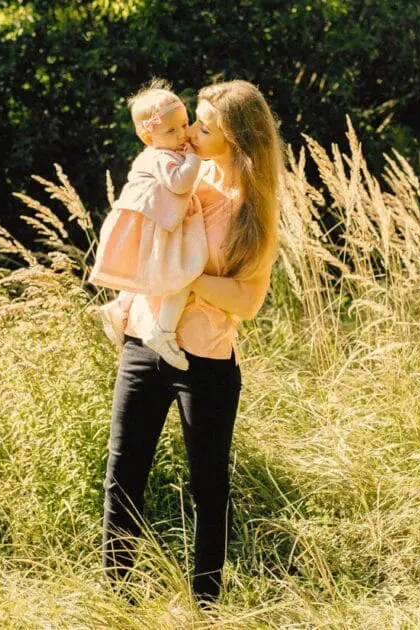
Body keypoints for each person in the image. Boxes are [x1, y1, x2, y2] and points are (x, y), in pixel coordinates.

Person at [100, 79, 282, 605]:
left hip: (206, 360)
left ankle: (207, 604)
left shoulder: (254, 208)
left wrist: (179, 276)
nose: (194, 132)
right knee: (122, 476)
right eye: (194, 121)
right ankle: (117, 600)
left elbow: (247, 301)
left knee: (209, 488)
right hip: (143, 343)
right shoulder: (177, 175)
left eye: (205, 125)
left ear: (237, 136)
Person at [90, 79, 207, 370]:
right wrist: (194, 159)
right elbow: (179, 184)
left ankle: (119, 307)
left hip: (161, 222)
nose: (182, 133)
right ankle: (162, 332)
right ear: (148, 136)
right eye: (171, 130)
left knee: (152, 273)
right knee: (182, 272)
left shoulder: (167, 151)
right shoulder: (159, 156)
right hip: (159, 225)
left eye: (184, 124)